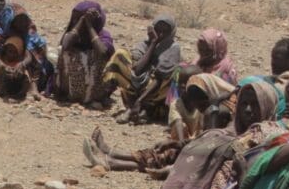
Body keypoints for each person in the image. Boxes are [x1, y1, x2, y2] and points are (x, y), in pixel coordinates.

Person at [148, 80, 289, 189]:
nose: (248, 110)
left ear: (267, 105)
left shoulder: (268, 134)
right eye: (244, 104)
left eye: (255, 105)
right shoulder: (229, 131)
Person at [85, 73, 233, 177]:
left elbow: (210, 146)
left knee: (163, 157)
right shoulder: (212, 107)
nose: (199, 107)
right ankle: (110, 156)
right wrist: (174, 143)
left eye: (202, 103)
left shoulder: (219, 113)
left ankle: (110, 159)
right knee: (161, 154)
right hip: (201, 154)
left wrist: (175, 144)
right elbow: (203, 141)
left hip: (209, 163)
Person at [95, 14, 181, 124]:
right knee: (120, 54)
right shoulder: (144, 44)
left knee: (177, 72)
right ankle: (108, 96)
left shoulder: (173, 48)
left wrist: (140, 101)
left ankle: (142, 109)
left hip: (157, 90)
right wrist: (153, 44)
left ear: (171, 33)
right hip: (137, 86)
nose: (160, 34)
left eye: (165, 31)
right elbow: (137, 70)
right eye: (158, 29)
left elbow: (160, 78)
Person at [57, 0, 115, 105]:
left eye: (79, 18)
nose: (75, 21)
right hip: (72, 89)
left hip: (96, 89)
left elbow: (102, 52)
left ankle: (92, 96)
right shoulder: (74, 34)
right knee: (63, 51)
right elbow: (64, 45)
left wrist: (89, 26)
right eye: (75, 18)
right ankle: (71, 93)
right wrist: (81, 21)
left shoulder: (103, 35)